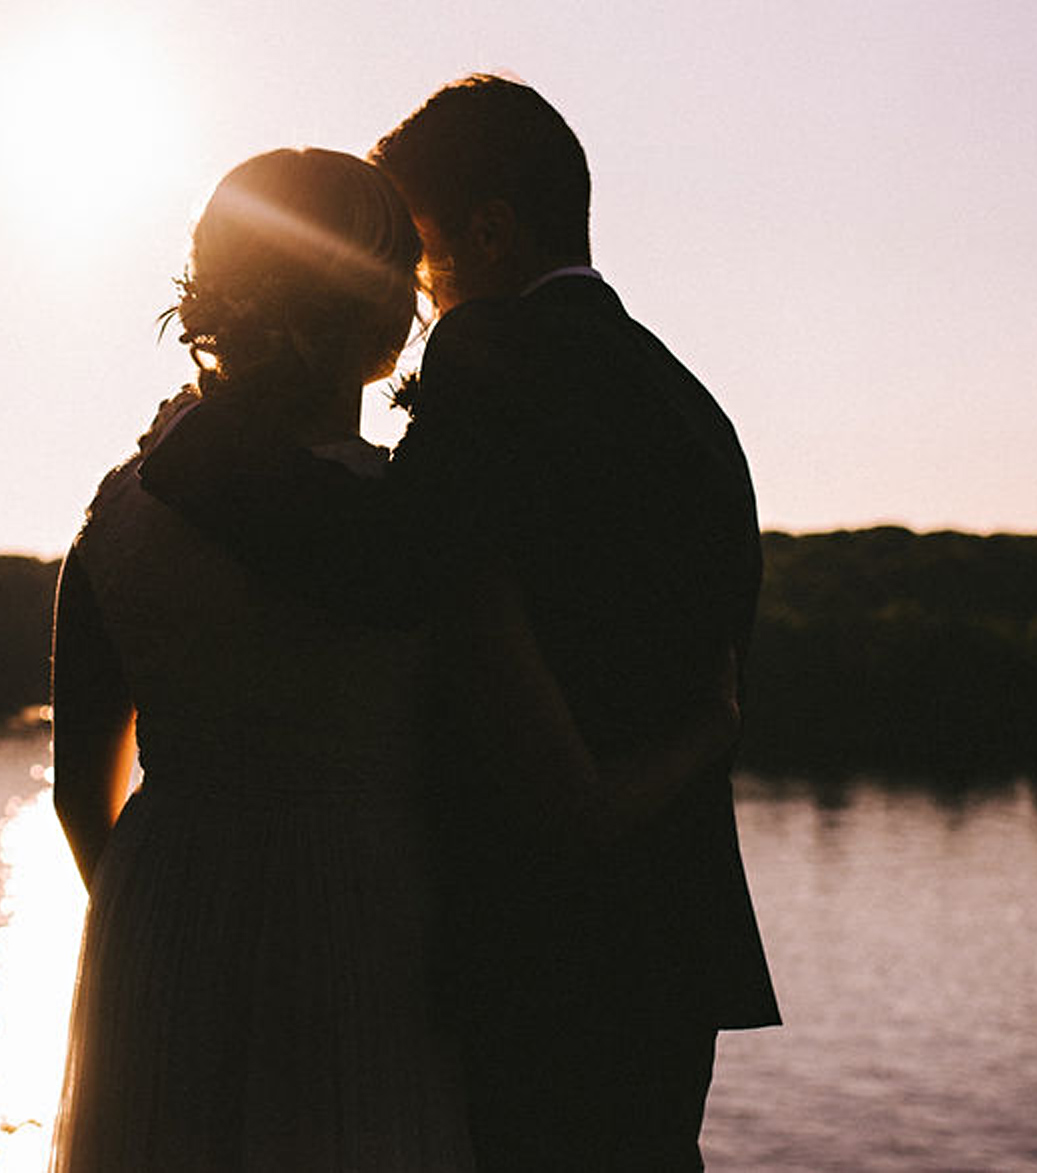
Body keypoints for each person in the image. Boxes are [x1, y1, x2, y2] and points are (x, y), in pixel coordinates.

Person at [139, 74, 781, 1171]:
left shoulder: (492, 352)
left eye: (413, 246)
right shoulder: (687, 400)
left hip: (533, 943)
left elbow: (385, 566)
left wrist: (193, 449)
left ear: (486, 231)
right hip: (669, 939)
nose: (399, 283)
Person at [47, 147, 475, 1171]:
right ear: (381, 317)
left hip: (162, 909)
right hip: (362, 922)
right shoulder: (408, 524)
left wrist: (163, 915)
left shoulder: (118, 510)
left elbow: (76, 792)